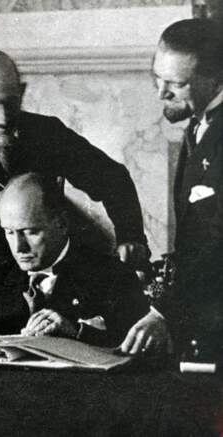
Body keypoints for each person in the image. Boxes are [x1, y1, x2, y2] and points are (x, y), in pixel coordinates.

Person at [0, 50, 149, 311]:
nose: (3, 117)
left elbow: (113, 178)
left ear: (22, 92)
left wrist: (130, 236)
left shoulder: (48, 134)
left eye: (10, 102)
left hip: (50, 293)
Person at [0, 173, 148, 347]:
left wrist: (77, 332)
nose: (19, 247)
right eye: (9, 232)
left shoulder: (113, 276)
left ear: (62, 224)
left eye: (30, 232)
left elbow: (139, 349)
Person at [120, 18, 223, 356]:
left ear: (215, 79)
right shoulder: (199, 125)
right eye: (157, 78)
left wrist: (164, 311)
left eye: (176, 84)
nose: (160, 93)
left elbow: (215, 245)